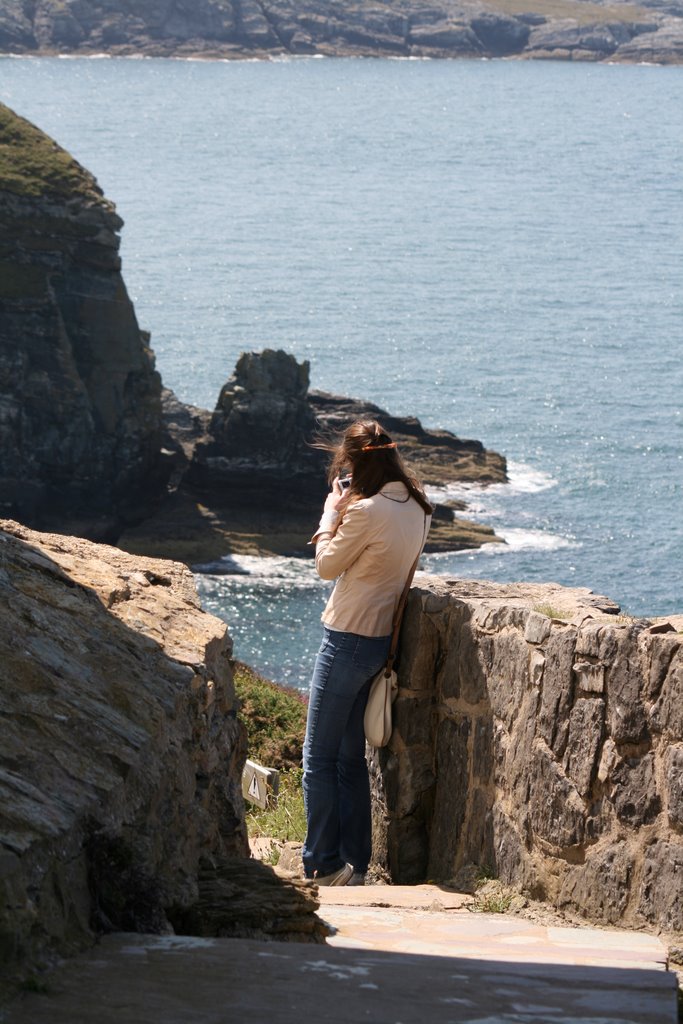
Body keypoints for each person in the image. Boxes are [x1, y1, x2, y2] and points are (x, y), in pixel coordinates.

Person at [302, 419, 432, 886]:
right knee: (348, 757)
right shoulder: (417, 507)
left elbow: (325, 566)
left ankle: (322, 862)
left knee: (316, 757)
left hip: (345, 638)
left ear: (358, 462)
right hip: (380, 643)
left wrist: (330, 513)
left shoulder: (366, 511)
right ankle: (355, 864)